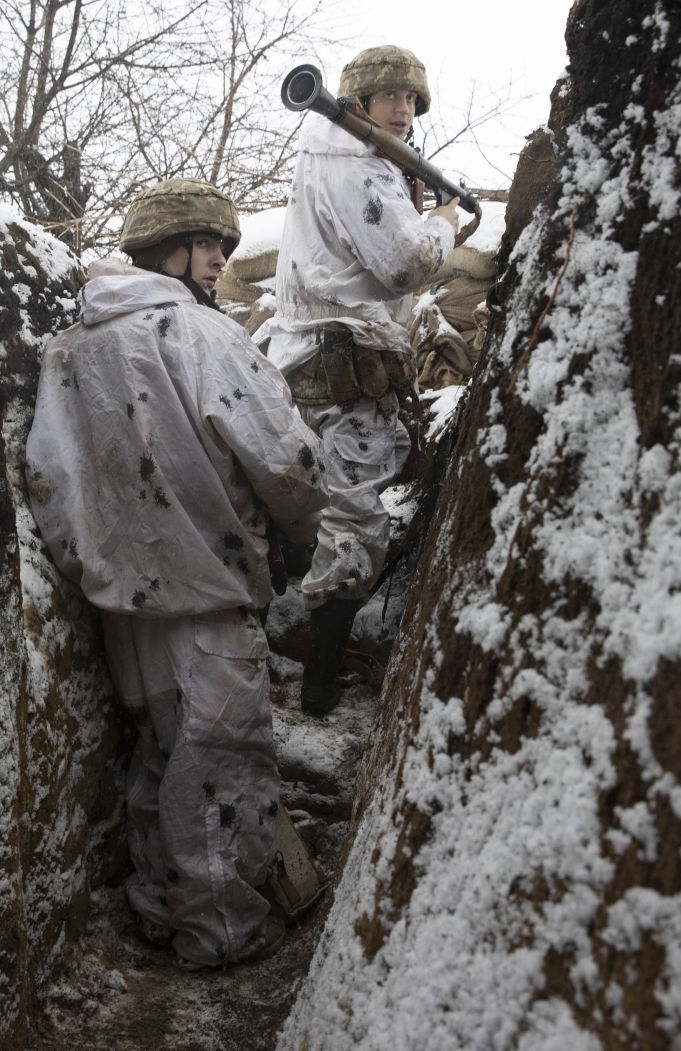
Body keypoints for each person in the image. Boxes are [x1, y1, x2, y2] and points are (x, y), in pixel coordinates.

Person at [25, 178, 329, 970]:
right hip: (209, 596)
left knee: (160, 755)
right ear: (169, 249)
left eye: (225, 249)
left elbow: (52, 482)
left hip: (124, 607)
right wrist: (301, 529)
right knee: (222, 765)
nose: (219, 262)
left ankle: (160, 907)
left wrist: (92, 569)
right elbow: (285, 458)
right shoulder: (201, 336)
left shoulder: (67, 349)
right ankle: (221, 930)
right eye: (208, 245)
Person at [256, 45, 470, 718]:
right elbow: (406, 264)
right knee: (353, 528)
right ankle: (318, 685)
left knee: (303, 503)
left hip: (308, 359)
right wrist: (442, 222)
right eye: (390, 96)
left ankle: (282, 640)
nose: (403, 108)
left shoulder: (337, 157)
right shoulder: (353, 163)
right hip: (344, 368)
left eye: (412, 98)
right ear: (358, 103)